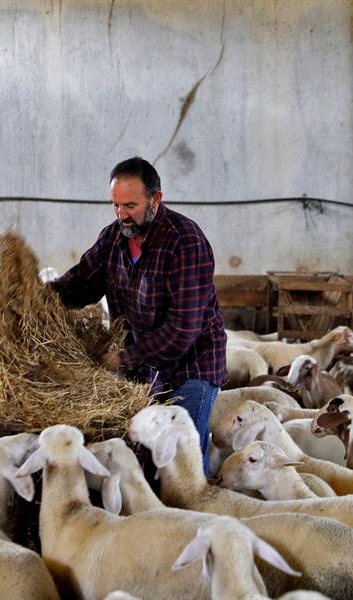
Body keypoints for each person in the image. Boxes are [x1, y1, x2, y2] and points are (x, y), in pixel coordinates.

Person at [50, 156, 227, 473]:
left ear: (155, 199)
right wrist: (41, 296)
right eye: (116, 205)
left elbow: (184, 328)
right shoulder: (113, 238)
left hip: (191, 365)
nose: (121, 214)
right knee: (144, 455)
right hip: (143, 365)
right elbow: (82, 282)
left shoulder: (185, 242)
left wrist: (125, 357)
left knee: (180, 461)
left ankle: (193, 512)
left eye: (130, 205)